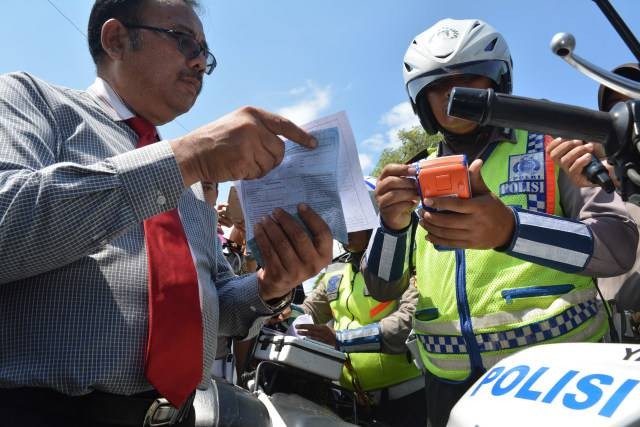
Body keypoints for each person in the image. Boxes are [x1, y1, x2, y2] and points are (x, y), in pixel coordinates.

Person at [0, 1, 333, 426]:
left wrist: (271, 284)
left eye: (205, 53)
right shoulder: (32, 101)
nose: (199, 61)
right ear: (116, 39)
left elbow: (213, 306)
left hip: (180, 413)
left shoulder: (192, 183)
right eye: (182, 40)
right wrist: (184, 158)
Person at [362, 18, 638, 427]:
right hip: (445, 383)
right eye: (436, 87)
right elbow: (381, 287)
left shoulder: (555, 142)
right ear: (420, 102)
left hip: (559, 379)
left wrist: (511, 231)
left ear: (499, 83)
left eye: (471, 80)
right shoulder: (413, 174)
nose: (453, 95)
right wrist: (391, 226)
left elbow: (618, 247)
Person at [547, 62, 640, 342]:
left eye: (636, 101)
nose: (628, 115)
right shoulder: (591, 183)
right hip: (615, 347)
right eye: (616, 110)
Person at [295, 227, 425, 427]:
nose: (345, 229)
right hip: (350, 401)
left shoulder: (405, 262)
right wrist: (277, 309)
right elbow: (309, 311)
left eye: (354, 221)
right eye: (341, 221)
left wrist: (341, 339)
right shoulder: (335, 270)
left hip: (405, 399)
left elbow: (408, 322)